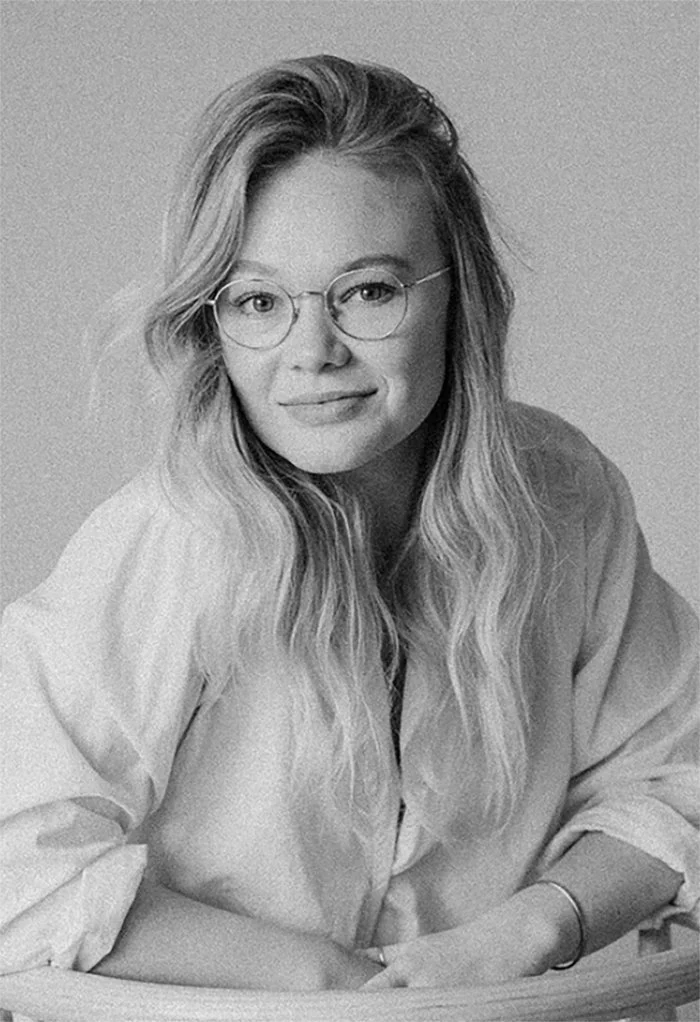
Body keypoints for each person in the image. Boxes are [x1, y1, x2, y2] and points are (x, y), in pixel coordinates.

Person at [0, 54, 697, 993]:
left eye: (368, 290)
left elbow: (677, 773)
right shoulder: (171, 538)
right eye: (259, 302)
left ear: (460, 293)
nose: (312, 352)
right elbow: (15, 864)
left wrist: (530, 931)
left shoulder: (564, 496)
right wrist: (329, 984)